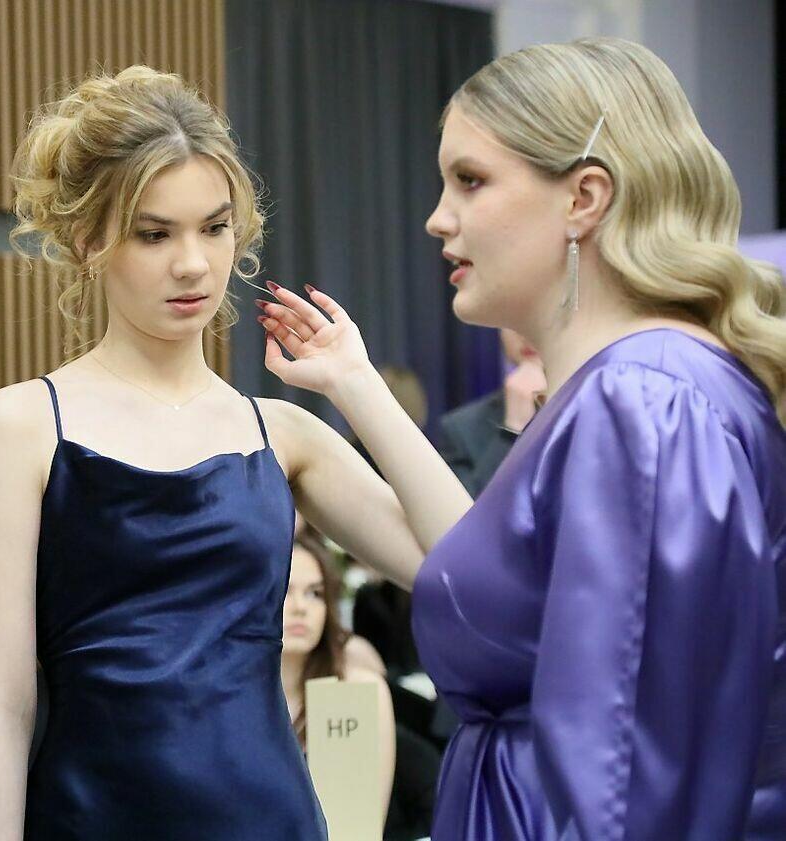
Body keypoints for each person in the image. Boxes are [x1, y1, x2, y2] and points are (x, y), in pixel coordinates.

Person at [257, 37, 786, 841]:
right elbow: (479, 574)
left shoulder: (642, 402)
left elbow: (630, 788)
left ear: (584, 199)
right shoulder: (627, 393)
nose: (437, 217)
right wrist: (353, 381)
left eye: (470, 180)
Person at [0, 66, 441, 840]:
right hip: (90, 819)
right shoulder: (23, 426)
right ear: (89, 241)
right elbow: (1, 702)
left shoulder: (280, 434)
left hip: (268, 817)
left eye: (214, 228)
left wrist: (358, 385)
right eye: (155, 234)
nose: (193, 263)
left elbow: (454, 559)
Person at [281, 530, 440, 841]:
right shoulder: (231, 696)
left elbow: (358, 830)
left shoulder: (354, 690)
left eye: (315, 594)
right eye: (286, 592)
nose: (301, 607)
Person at [438, 329, 546, 497]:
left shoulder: (590, 406)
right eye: (510, 319)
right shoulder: (461, 428)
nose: (524, 333)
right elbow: (468, 511)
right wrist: (512, 430)